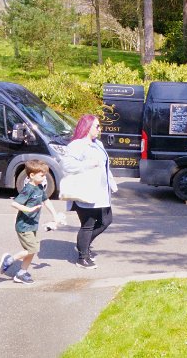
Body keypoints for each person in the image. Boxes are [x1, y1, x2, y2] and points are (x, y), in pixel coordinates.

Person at [62, 114, 119, 269]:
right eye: (97, 126)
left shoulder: (98, 144)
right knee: (88, 225)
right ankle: (82, 257)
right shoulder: (77, 145)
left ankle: (83, 245)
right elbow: (66, 165)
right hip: (86, 192)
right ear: (87, 127)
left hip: (101, 192)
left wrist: (112, 183)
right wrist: (88, 165)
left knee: (106, 221)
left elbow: (105, 167)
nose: (100, 129)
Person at [0, 159, 60, 284]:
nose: (44, 178)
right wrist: (29, 209)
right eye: (42, 176)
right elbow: (14, 203)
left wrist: (55, 215)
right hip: (24, 225)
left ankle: (21, 273)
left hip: (32, 225)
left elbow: (46, 201)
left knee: (32, 250)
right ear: (32, 175)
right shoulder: (28, 189)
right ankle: (9, 260)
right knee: (32, 249)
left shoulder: (40, 187)